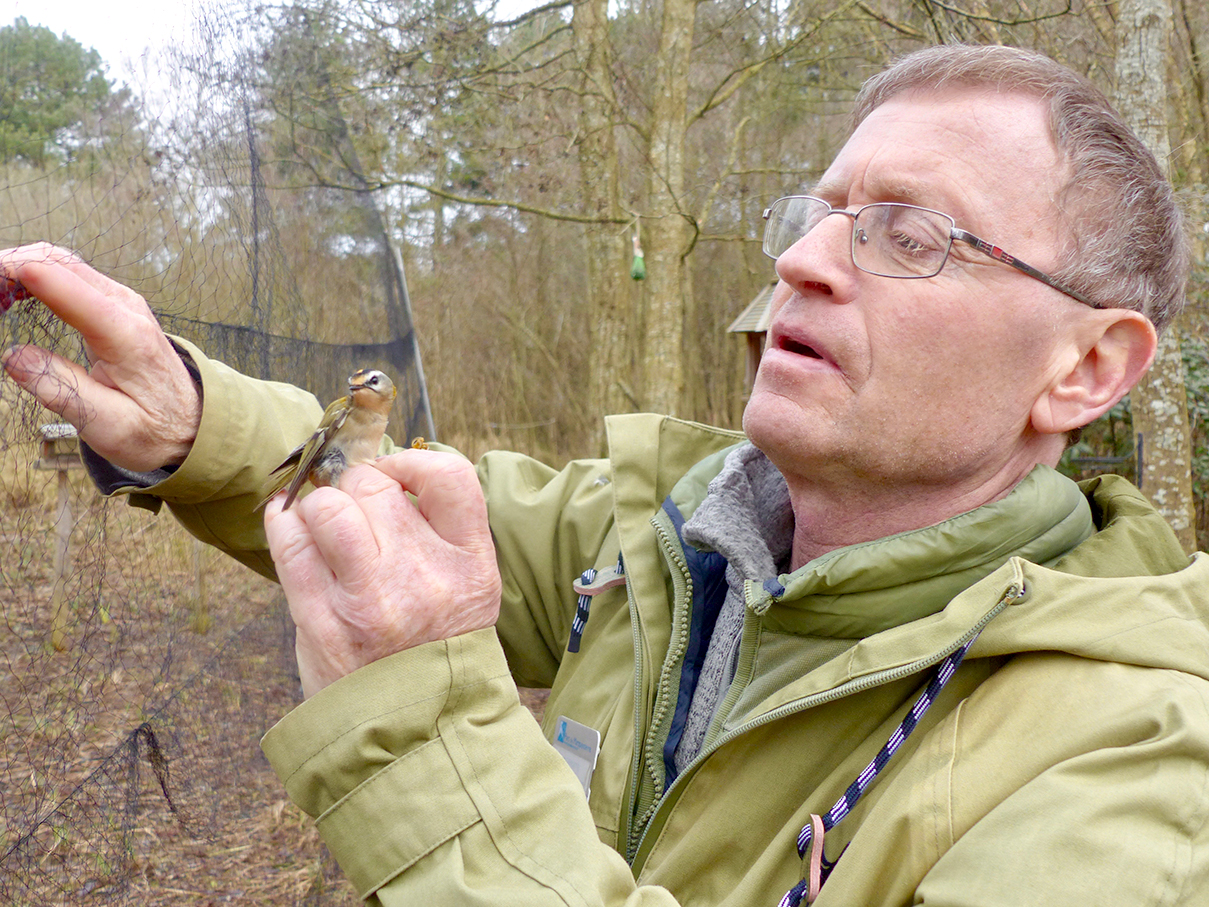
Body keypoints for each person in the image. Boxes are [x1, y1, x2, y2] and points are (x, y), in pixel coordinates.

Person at [2, 42, 1208, 905]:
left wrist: (429, 738)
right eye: (821, 209)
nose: (799, 258)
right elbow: (403, 496)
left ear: (1086, 367)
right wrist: (185, 418)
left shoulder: (1137, 763)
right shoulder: (666, 534)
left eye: (909, 234)